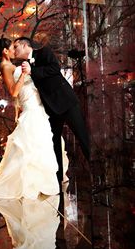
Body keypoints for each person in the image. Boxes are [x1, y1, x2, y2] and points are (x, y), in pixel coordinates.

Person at [0, 37, 62, 199]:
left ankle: (42, 181)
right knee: (29, 144)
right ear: (5, 51)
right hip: (30, 107)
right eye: (12, 48)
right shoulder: (5, 66)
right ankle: (30, 183)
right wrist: (23, 74)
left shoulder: (12, 64)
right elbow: (14, 92)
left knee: (41, 142)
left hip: (35, 105)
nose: (15, 50)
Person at [14, 37, 90, 184]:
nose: (15, 50)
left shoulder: (44, 52)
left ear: (25, 45)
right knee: (54, 143)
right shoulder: (24, 65)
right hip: (51, 109)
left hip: (66, 102)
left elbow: (55, 69)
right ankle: (58, 178)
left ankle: (98, 171)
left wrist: (32, 71)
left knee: (82, 137)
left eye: (16, 46)